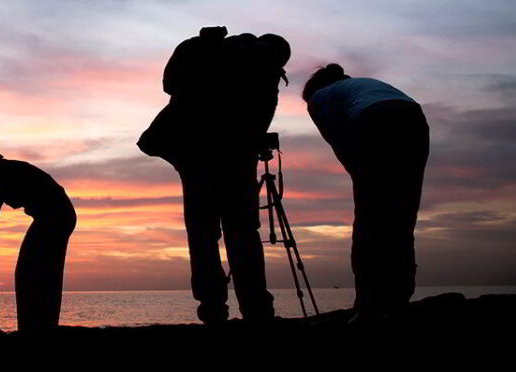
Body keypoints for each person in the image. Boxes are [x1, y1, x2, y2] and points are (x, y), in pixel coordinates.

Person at [139, 26, 289, 324]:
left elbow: (170, 85)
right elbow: (261, 117)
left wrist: (201, 41)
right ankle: (258, 311)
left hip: (192, 151)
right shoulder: (267, 68)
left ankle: (212, 310)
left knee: (202, 234)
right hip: (234, 155)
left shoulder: (211, 48)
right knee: (243, 232)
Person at [302, 64, 429, 323]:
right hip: (413, 118)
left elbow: (338, 142)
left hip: (374, 121)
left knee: (368, 223)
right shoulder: (364, 84)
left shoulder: (318, 98)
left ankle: (368, 305)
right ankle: (399, 300)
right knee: (402, 218)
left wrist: (360, 177)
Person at [0, 135, 76, 332]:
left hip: (54, 216)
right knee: (36, 274)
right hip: (55, 215)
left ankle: (36, 329)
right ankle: (38, 327)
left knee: (33, 274)